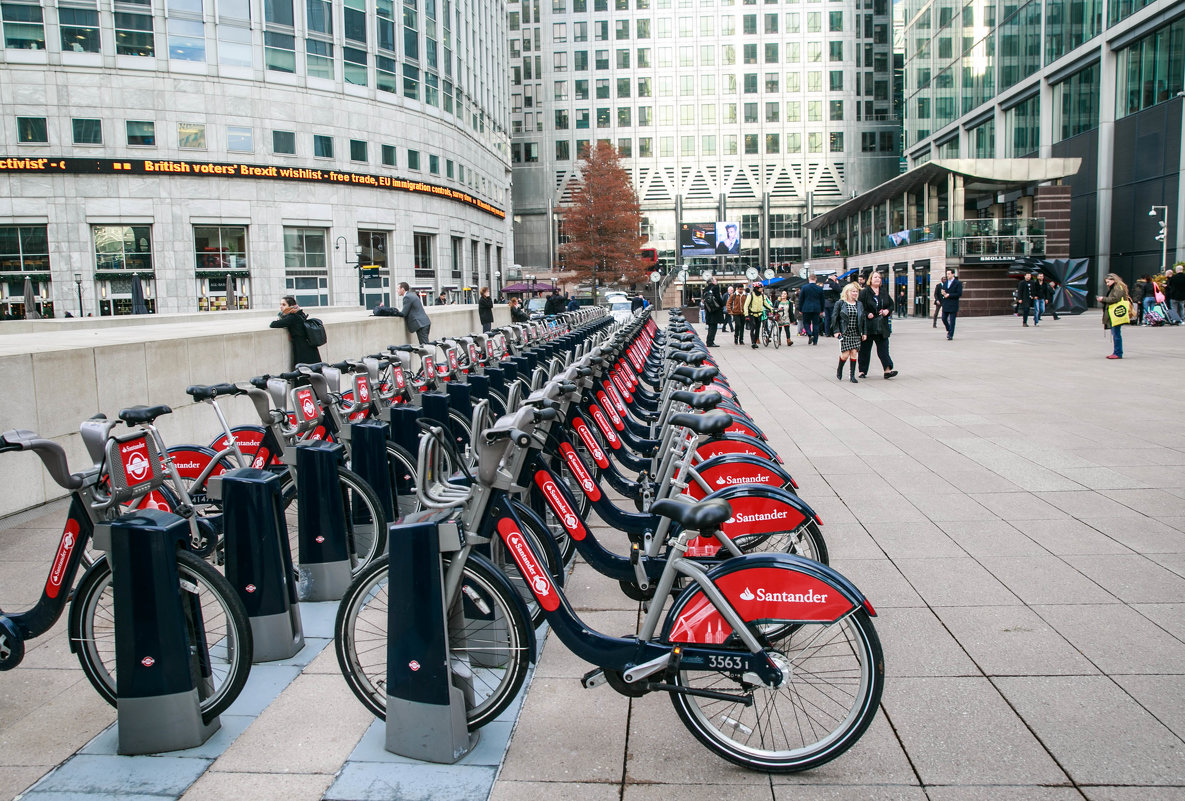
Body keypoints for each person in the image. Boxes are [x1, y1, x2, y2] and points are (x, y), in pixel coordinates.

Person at [857, 272, 897, 379]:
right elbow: (859, 306)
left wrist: (887, 311)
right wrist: (866, 314)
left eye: (879, 277)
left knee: (883, 349)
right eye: (875, 277)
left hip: (881, 325)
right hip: (868, 326)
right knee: (865, 350)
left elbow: (891, 305)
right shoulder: (865, 292)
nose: (878, 279)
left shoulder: (883, 292)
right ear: (870, 279)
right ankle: (862, 371)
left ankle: (887, 370)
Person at [269, 295, 321, 369]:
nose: (281, 307)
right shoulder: (299, 313)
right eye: (280, 304)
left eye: (284, 305)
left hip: (302, 348)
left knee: (304, 371)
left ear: (291, 306)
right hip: (308, 346)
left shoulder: (292, 317)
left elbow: (273, 324)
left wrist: (281, 318)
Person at [831, 282, 866, 383]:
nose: (855, 293)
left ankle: (852, 375)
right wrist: (836, 331)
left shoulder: (859, 304)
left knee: (854, 353)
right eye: (853, 291)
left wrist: (864, 333)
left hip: (855, 332)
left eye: (856, 291)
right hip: (845, 332)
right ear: (847, 292)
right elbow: (834, 317)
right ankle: (840, 369)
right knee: (845, 355)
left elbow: (863, 319)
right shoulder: (840, 303)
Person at [1098, 272, 1131, 359]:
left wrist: (1103, 299)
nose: (1107, 284)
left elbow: (1116, 299)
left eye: (1108, 282)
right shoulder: (1116, 288)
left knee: (1116, 333)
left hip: (1115, 313)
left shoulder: (1118, 288)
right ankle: (1116, 352)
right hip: (1115, 313)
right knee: (1115, 333)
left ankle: (1118, 353)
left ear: (1113, 280)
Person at [798, 275, 826, 345]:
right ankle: (815, 341)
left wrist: (800, 309)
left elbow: (801, 299)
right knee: (816, 324)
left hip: (806, 308)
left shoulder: (804, 288)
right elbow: (822, 300)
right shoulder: (819, 288)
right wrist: (822, 309)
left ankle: (810, 334)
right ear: (816, 279)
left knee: (806, 323)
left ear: (809, 279)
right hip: (816, 308)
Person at [938, 269, 962, 340]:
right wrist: (943, 293)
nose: (947, 275)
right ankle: (949, 329)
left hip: (953, 304)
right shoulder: (945, 283)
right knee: (943, 318)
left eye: (949, 274)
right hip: (945, 304)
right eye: (947, 274)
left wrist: (949, 295)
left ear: (953, 274)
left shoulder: (957, 283)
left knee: (952, 320)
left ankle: (950, 335)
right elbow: (943, 290)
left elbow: (959, 293)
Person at [743, 282, 769, 349]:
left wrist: (772, 309)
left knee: (758, 328)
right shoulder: (751, 295)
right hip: (752, 314)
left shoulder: (762, 296)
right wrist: (746, 315)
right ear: (756, 288)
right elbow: (746, 305)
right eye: (760, 288)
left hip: (759, 314)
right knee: (753, 327)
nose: (762, 289)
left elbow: (766, 304)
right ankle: (753, 342)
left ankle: (755, 340)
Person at [702, 275, 725, 347]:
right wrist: (722, 304)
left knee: (710, 326)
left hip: (708, 310)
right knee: (714, 326)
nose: (716, 281)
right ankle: (710, 342)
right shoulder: (716, 287)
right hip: (715, 310)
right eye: (715, 280)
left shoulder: (705, 289)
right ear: (712, 281)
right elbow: (718, 298)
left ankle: (709, 341)